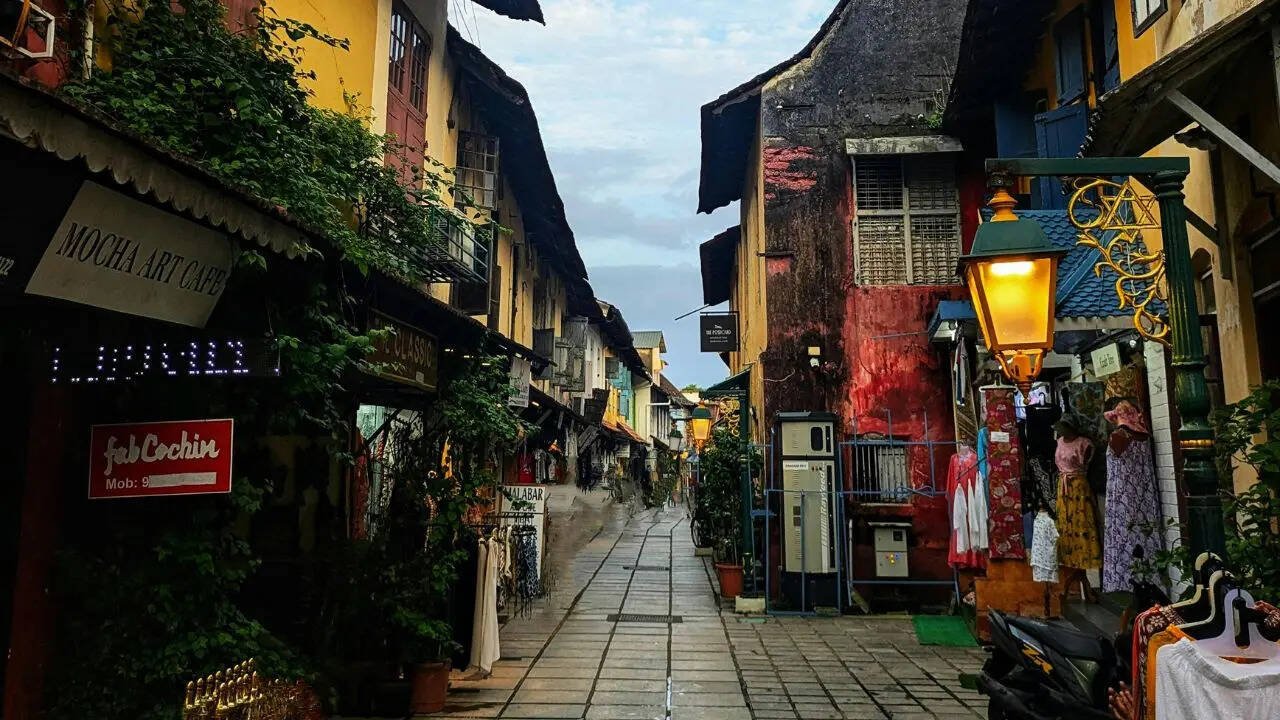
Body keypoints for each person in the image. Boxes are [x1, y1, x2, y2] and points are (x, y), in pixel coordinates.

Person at [1054, 413, 1102, 603]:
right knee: (1067, 529)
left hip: (1078, 489)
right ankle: (1074, 566)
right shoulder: (1059, 441)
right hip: (1064, 489)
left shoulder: (1084, 444)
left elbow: (1086, 465)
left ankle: (1085, 569)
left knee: (1082, 527)